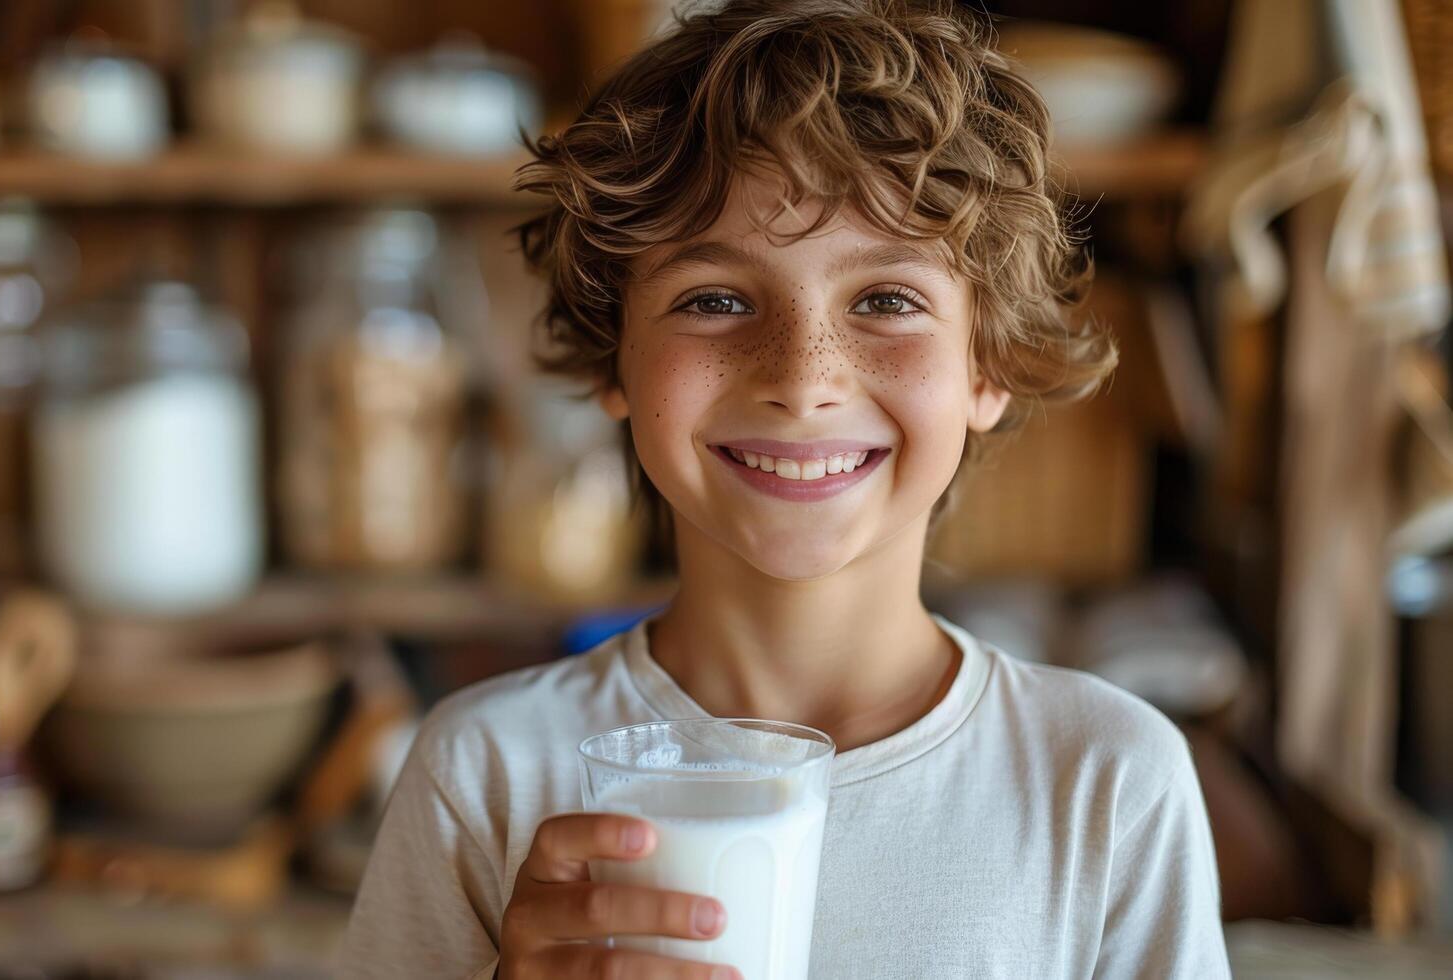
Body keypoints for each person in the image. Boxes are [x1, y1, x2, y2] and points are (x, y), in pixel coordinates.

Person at [339, 1, 1228, 976]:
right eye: (715, 298)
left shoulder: (1103, 778)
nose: (804, 378)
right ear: (614, 359)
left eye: (888, 300)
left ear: (988, 364)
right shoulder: (488, 772)